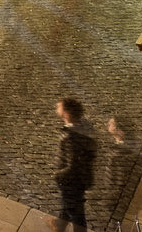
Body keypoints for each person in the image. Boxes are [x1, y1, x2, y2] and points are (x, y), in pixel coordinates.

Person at [51, 97, 97, 231]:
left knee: (76, 214)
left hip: (71, 180)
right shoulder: (85, 128)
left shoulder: (71, 137)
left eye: (59, 107)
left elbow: (72, 166)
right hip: (82, 178)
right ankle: (59, 225)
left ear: (66, 114)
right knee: (69, 204)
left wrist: (58, 175)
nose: (57, 109)